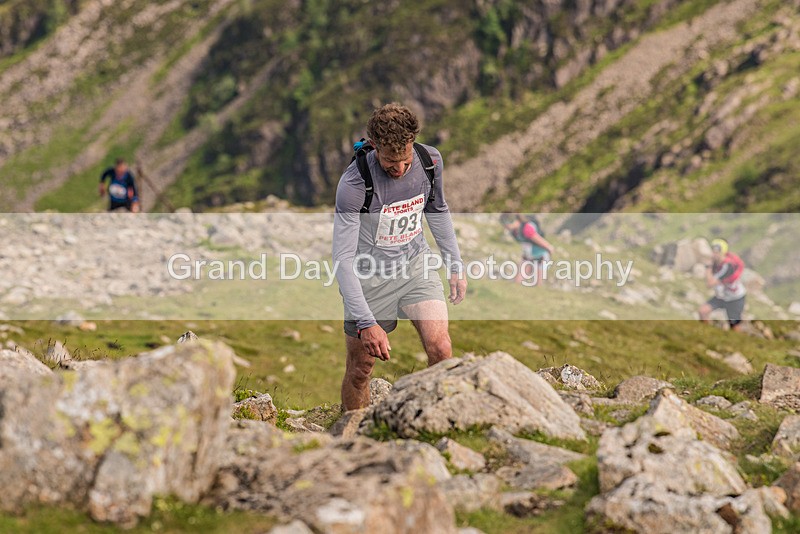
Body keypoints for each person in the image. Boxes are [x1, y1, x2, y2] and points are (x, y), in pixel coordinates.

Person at [333, 103, 467, 410]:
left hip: (415, 266)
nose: (400, 169)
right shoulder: (354, 185)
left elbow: (437, 211)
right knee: (359, 372)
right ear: (375, 147)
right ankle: (353, 441)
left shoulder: (429, 161)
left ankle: (440, 424)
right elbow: (342, 259)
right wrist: (367, 323)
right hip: (369, 279)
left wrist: (455, 264)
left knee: (441, 348)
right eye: (391, 162)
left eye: (405, 160)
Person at [698, 238, 746, 331]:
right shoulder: (716, 264)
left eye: (716, 252)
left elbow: (710, 283)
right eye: (713, 251)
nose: (714, 254)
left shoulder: (727, 266)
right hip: (722, 297)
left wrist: (708, 266)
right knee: (703, 311)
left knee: (734, 326)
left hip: (735, 299)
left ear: (722, 252)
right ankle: (706, 333)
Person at [501, 213, 554, 286]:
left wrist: (549, 251)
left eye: (507, 224)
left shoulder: (527, 229)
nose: (506, 226)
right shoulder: (514, 231)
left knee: (537, 284)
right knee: (517, 282)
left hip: (540, 256)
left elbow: (545, 244)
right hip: (528, 256)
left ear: (515, 221)